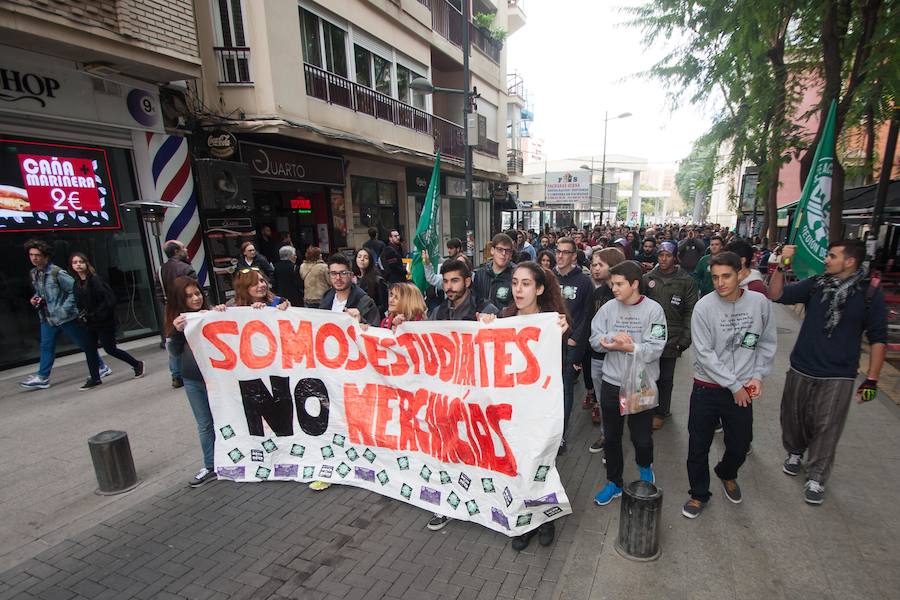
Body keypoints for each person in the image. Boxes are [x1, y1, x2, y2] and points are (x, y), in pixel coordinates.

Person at [769, 240, 887, 505]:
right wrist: (781, 265)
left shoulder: (869, 294)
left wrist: (871, 380)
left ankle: (817, 475)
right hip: (801, 366)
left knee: (827, 425)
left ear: (850, 261)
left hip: (839, 374)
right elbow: (777, 295)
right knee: (793, 416)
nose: (826, 259)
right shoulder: (816, 285)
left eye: (832, 256)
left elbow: (878, 339)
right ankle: (795, 451)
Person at [480, 261, 569, 551]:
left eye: (526, 284)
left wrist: (561, 333)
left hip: (540, 410)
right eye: (515, 282)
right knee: (516, 467)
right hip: (510, 412)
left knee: (539, 463)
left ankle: (545, 521)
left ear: (539, 288)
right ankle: (523, 522)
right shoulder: (504, 318)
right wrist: (487, 329)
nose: (518, 289)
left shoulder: (551, 322)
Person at [681, 251, 776, 518]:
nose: (720, 283)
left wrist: (758, 376)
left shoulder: (759, 303)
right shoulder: (704, 307)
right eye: (714, 278)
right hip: (707, 388)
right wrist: (734, 386)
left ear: (741, 274)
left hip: (743, 388)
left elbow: (766, 343)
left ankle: (726, 472)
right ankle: (699, 494)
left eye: (726, 276)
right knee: (697, 446)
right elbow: (704, 353)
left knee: (740, 444)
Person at [423, 258, 499, 532]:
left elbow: (498, 351)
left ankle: (481, 501)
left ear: (468, 281)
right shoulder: (438, 312)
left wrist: (491, 325)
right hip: (445, 395)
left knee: (475, 452)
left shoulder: (485, 310)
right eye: (445, 282)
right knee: (446, 451)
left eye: (455, 281)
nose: (449, 287)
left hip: (475, 396)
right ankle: (446, 504)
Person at [590, 260, 667, 506]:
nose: (614, 288)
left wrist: (630, 347)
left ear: (635, 284)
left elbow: (656, 347)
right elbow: (593, 339)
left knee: (641, 437)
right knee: (611, 436)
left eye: (620, 284)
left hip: (641, 383)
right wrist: (610, 339)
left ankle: (645, 467)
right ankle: (614, 482)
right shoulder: (608, 309)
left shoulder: (653, 310)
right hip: (612, 382)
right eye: (613, 284)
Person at [19, 239, 108, 391]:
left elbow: (74, 290)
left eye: (37, 255)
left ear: (46, 257)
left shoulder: (56, 272)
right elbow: (41, 291)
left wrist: (64, 309)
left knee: (84, 343)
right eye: (31, 255)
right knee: (46, 346)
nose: (34, 258)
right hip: (47, 316)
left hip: (66, 316)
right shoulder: (34, 273)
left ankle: (101, 366)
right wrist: (35, 298)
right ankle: (42, 377)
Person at [166, 276, 224, 487]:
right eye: (189, 296)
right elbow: (173, 353)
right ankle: (210, 466)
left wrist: (219, 315)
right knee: (205, 424)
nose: (195, 299)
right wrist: (175, 333)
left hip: (217, 378)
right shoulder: (178, 322)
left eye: (197, 293)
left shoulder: (210, 314)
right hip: (193, 379)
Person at [643, 241, 698, 430]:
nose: (664, 259)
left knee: (665, 378)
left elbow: (691, 310)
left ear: (675, 257)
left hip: (672, 336)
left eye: (668, 255)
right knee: (648, 376)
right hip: (648, 335)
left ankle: (661, 411)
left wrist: (685, 338)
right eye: (661, 255)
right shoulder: (648, 278)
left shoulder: (686, 280)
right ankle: (645, 408)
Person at [69, 252, 145, 383]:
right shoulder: (77, 283)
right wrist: (82, 315)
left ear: (86, 264)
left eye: (81, 262)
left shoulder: (95, 279)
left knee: (110, 349)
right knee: (89, 349)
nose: (78, 265)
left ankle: (137, 364)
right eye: (75, 263)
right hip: (89, 322)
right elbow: (79, 303)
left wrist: (96, 314)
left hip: (104, 321)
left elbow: (109, 300)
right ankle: (95, 378)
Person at [553, 237, 594, 454]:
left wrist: (575, 338)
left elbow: (587, 316)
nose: (560, 256)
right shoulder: (548, 277)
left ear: (574, 256)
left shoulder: (585, 282)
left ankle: (561, 434)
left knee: (565, 387)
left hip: (571, 343)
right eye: (558, 251)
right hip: (548, 342)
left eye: (565, 252)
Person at [585, 248, 626, 447]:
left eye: (600, 264)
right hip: (598, 357)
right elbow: (591, 326)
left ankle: (617, 435)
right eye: (593, 264)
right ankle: (606, 435)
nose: (595, 268)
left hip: (623, 360)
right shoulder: (598, 292)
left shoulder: (628, 294)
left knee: (623, 402)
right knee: (603, 402)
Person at [160, 240, 197, 388]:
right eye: (183, 248)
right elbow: (195, 288)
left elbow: (158, 291)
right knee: (185, 340)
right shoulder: (186, 268)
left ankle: (176, 375)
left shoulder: (161, 269)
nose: (186, 249)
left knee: (173, 338)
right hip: (188, 311)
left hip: (171, 309)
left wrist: (170, 306)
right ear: (176, 252)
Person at [319, 254, 381, 326]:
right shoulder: (326, 297)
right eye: (333, 273)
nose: (338, 277)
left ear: (351, 275)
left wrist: (361, 321)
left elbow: (375, 330)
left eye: (343, 273)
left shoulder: (365, 302)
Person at [472, 233, 516, 311]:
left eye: (507, 251)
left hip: (505, 321)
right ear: (492, 251)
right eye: (500, 249)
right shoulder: (480, 274)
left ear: (511, 254)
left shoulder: (516, 275)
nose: (503, 254)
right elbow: (474, 300)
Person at [353, 247, 388, 318]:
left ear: (370, 261)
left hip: (373, 319)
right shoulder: (352, 278)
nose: (362, 259)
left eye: (366, 258)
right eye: (359, 257)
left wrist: (369, 314)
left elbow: (384, 305)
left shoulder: (378, 280)